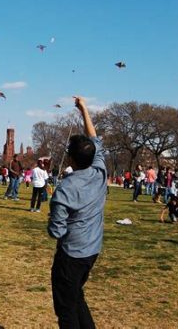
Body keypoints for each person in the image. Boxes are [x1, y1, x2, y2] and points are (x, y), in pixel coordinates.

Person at [48, 96, 107, 329]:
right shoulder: (100, 170)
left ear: (71, 158)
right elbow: (94, 139)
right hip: (92, 251)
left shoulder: (65, 188)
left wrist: (52, 218)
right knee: (76, 297)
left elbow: (56, 231)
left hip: (71, 256)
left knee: (66, 310)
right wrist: (84, 109)